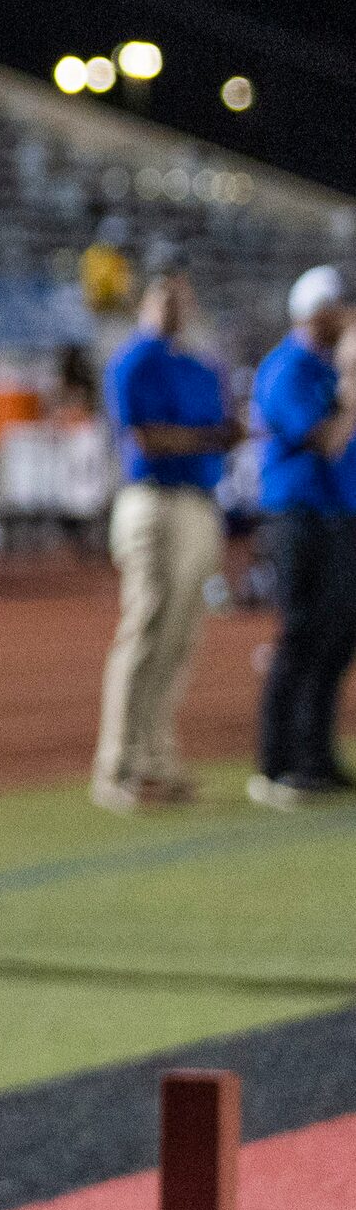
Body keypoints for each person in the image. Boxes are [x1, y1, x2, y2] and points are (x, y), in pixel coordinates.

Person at [93, 271, 237, 811]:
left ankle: (158, 760)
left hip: (199, 501)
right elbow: (147, 437)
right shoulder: (136, 360)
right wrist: (211, 436)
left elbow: (223, 428)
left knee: (180, 639)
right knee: (148, 629)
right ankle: (119, 769)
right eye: (164, 296)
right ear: (144, 303)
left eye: (183, 295)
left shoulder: (199, 366)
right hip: (153, 501)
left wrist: (217, 436)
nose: (175, 305)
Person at [245, 265, 356, 806]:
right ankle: (277, 764)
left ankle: (315, 756)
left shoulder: (327, 370)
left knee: (337, 638)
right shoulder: (288, 368)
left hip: (337, 515)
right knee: (300, 633)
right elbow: (325, 440)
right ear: (315, 312)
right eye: (337, 306)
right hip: (298, 517)